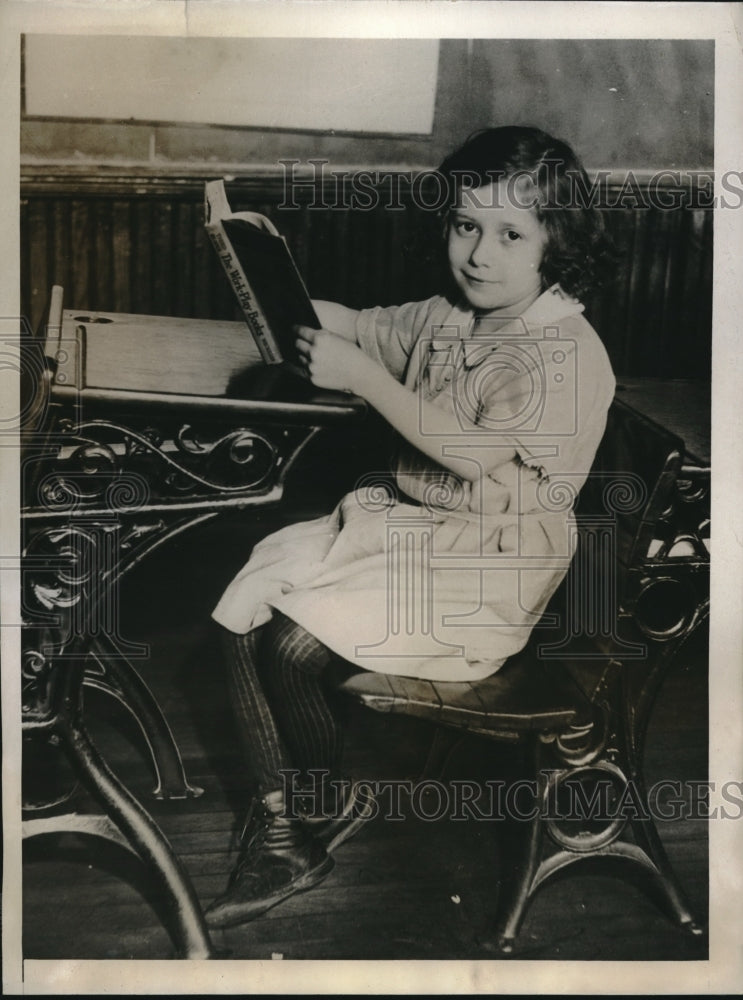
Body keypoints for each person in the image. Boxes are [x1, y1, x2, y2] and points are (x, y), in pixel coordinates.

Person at [206, 125, 616, 929]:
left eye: (509, 234)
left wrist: (360, 377)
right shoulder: (448, 314)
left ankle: (309, 811)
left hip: (486, 573)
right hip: (415, 534)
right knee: (241, 603)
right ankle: (291, 821)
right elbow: (354, 324)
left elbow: (471, 454)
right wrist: (280, 303)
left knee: (289, 640)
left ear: (555, 243)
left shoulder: (563, 350)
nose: (478, 254)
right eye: (465, 226)